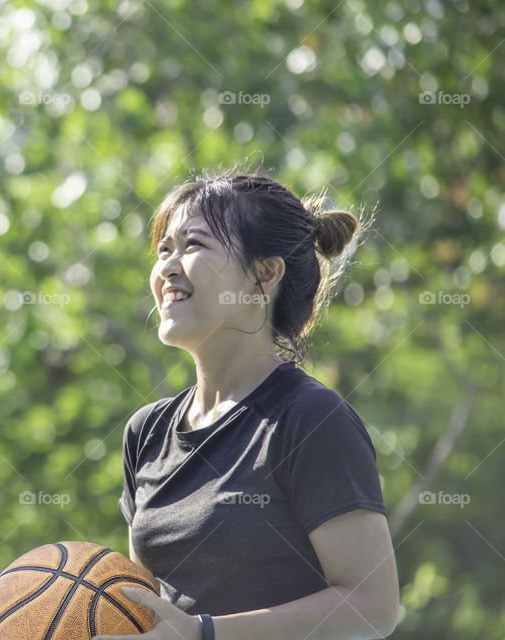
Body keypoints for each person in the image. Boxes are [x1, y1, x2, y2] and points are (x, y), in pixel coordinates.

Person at [92, 171, 400, 640]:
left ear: (264, 274)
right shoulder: (146, 433)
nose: (168, 267)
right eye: (163, 250)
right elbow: (148, 608)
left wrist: (205, 633)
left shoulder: (310, 419)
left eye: (193, 245)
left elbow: (373, 607)